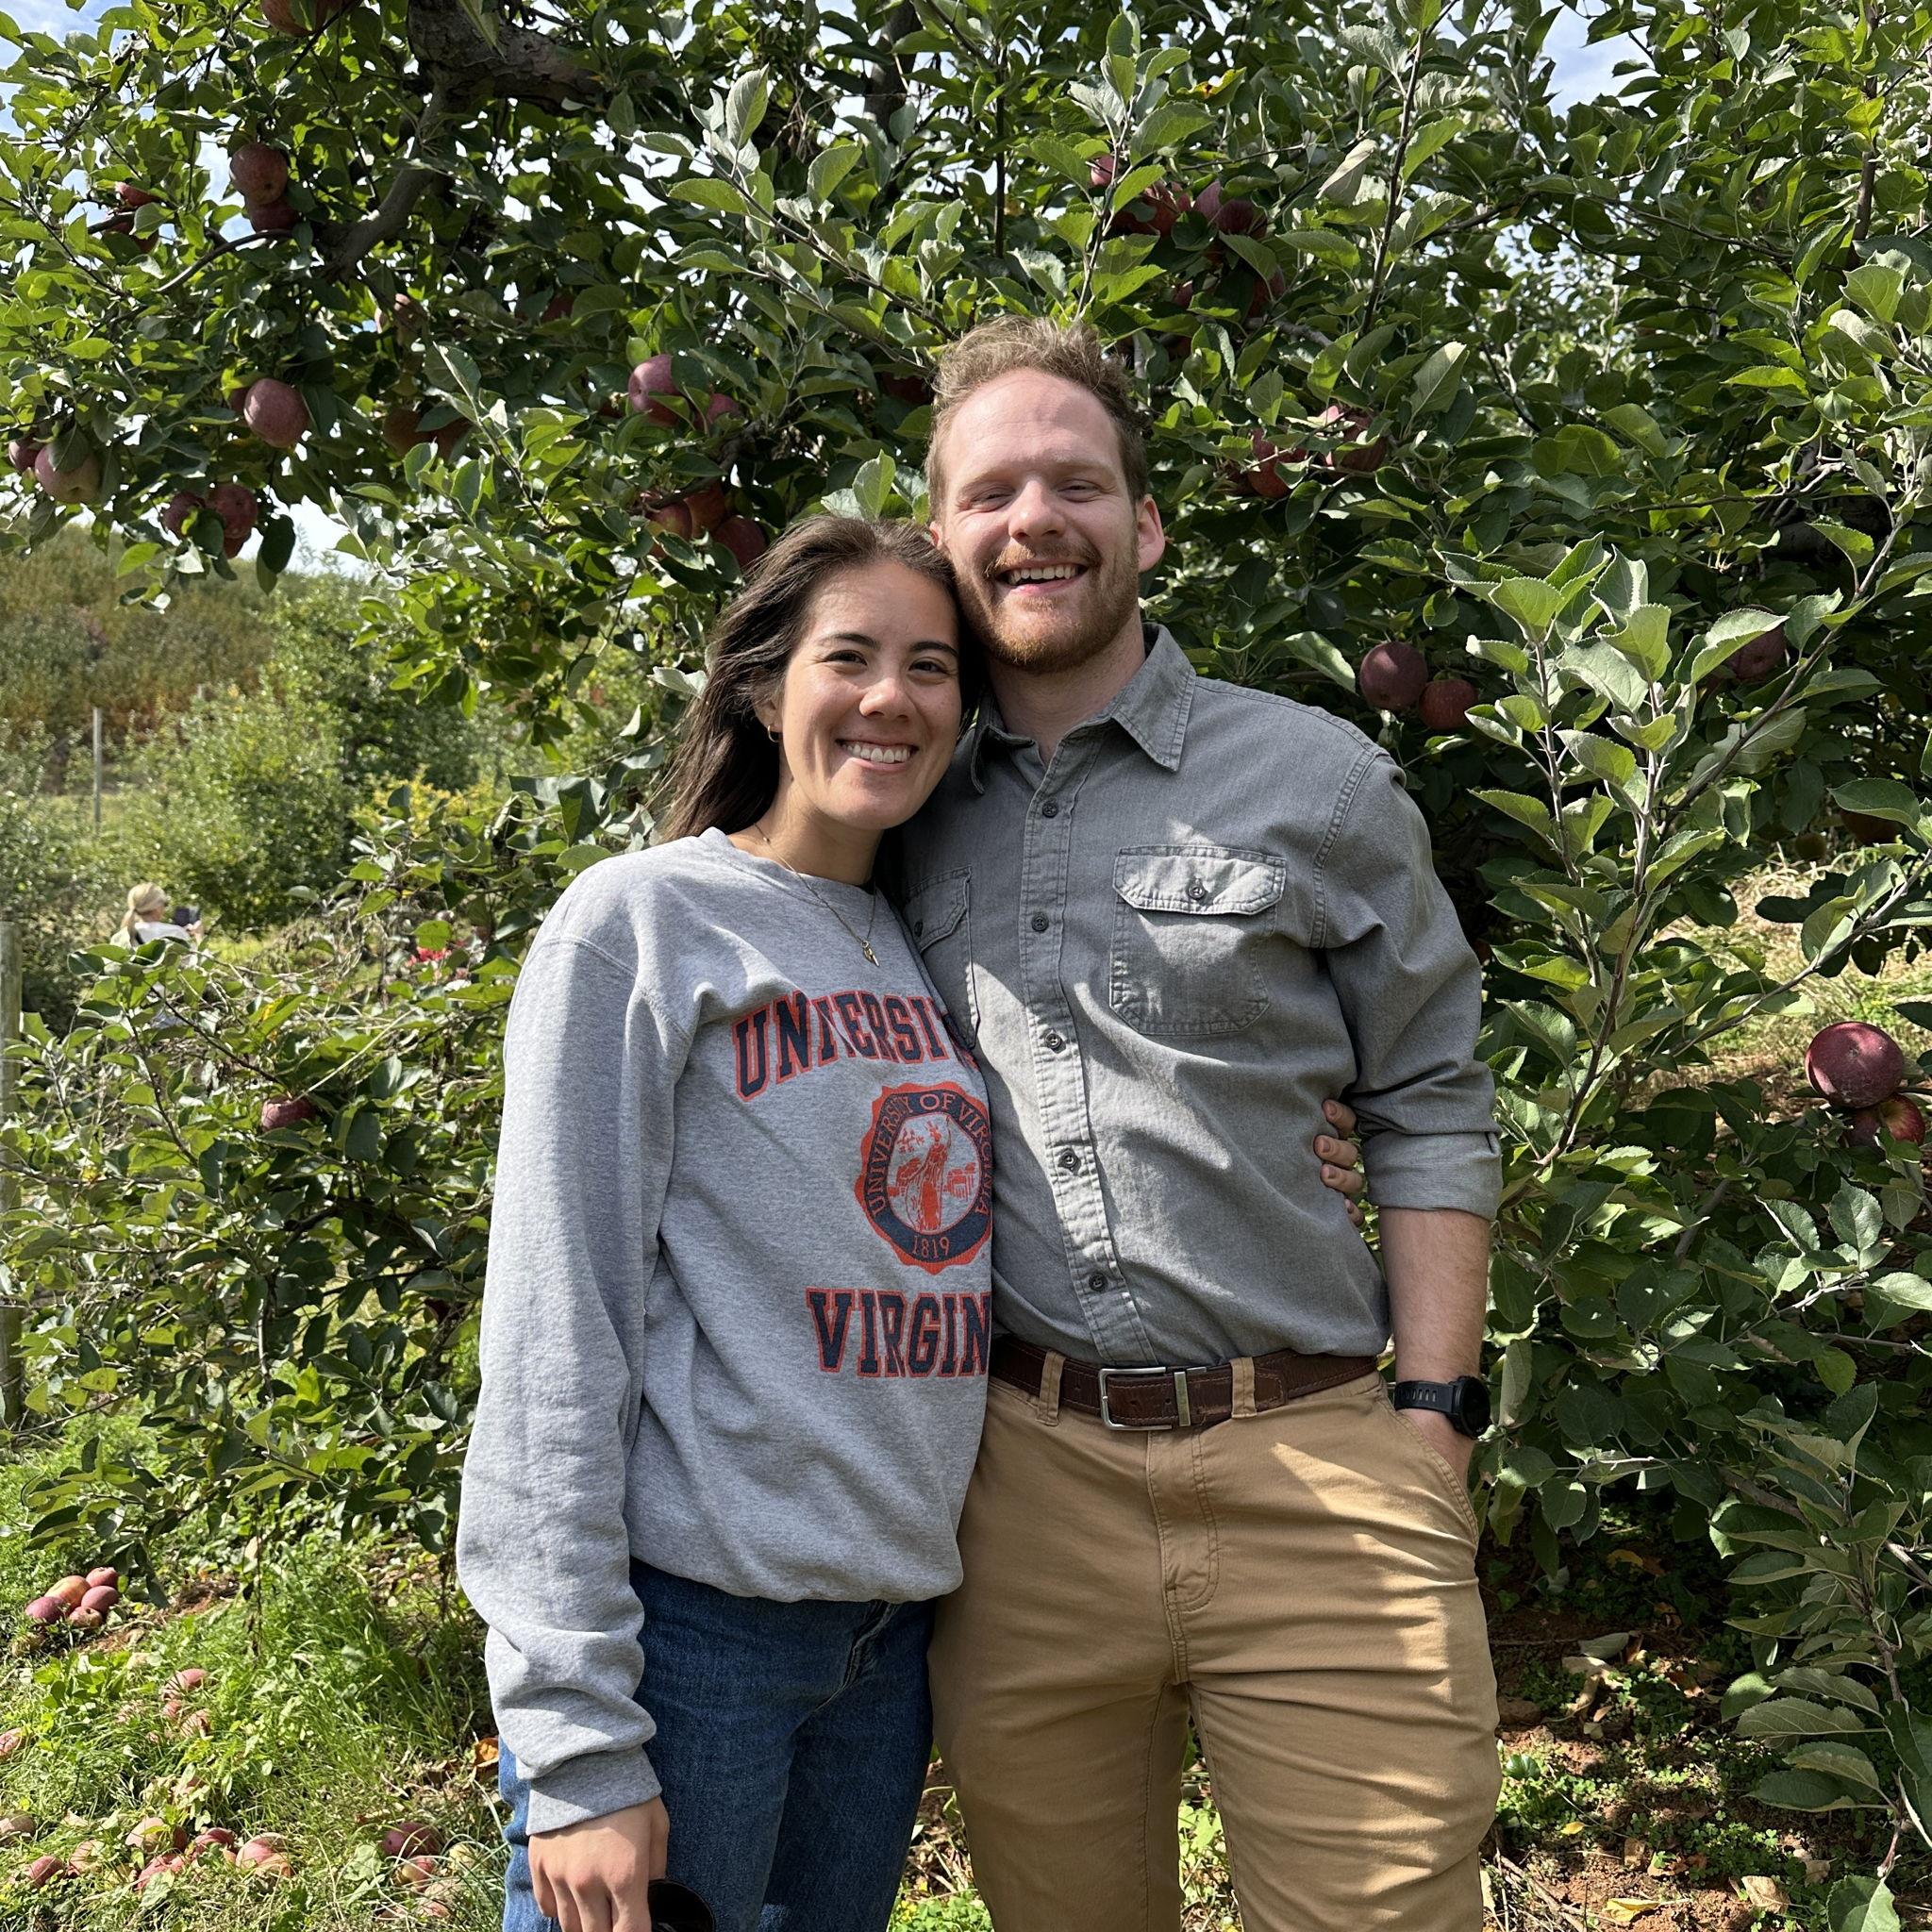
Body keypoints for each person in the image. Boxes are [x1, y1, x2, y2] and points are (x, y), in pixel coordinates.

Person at [454, 513, 1371, 1932]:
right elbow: (550, 1328)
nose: (892, 697)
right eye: (851, 657)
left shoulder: (925, 937)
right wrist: (573, 1735)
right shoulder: (643, 923)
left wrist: (1306, 1128)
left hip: (886, 1643)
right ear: (764, 685)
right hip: (700, 1631)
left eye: (933, 666)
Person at [887, 318, 1503, 1932]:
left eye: (1076, 482)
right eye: (991, 489)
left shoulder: (1314, 779)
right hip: (1016, 1492)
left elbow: (1429, 1093)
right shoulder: (882, 799)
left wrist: (1432, 1414)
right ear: (938, 533)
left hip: (1314, 1463)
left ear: (1144, 526)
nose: (1034, 518)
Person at [118, 881, 201, 947]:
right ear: (157, 907)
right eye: (165, 904)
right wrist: (199, 936)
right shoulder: (175, 933)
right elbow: (197, 964)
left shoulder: (122, 936)